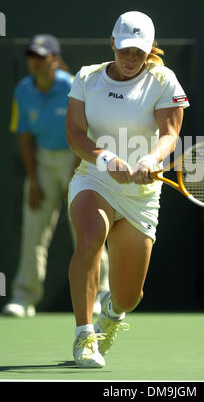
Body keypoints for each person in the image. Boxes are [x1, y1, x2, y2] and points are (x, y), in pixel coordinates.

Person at [66, 11, 190, 368]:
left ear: (151, 49)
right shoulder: (88, 78)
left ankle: (112, 313)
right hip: (95, 179)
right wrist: (106, 160)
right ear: (113, 44)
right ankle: (84, 336)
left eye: (139, 51)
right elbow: (74, 134)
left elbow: (170, 133)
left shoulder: (164, 79)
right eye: (125, 50)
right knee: (89, 239)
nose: (131, 58)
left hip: (142, 194)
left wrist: (149, 161)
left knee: (129, 296)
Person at [3, 34, 109, 318]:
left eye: (41, 57)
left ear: (54, 59)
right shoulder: (23, 90)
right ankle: (24, 298)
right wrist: (35, 181)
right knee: (32, 232)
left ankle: (101, 293)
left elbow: (83, 135)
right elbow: (25, 138)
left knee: (87, 230)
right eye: (31, 57)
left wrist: (76, 177)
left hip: (77, 160)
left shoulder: (73, 86)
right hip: (42, 164)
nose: (35, 63)